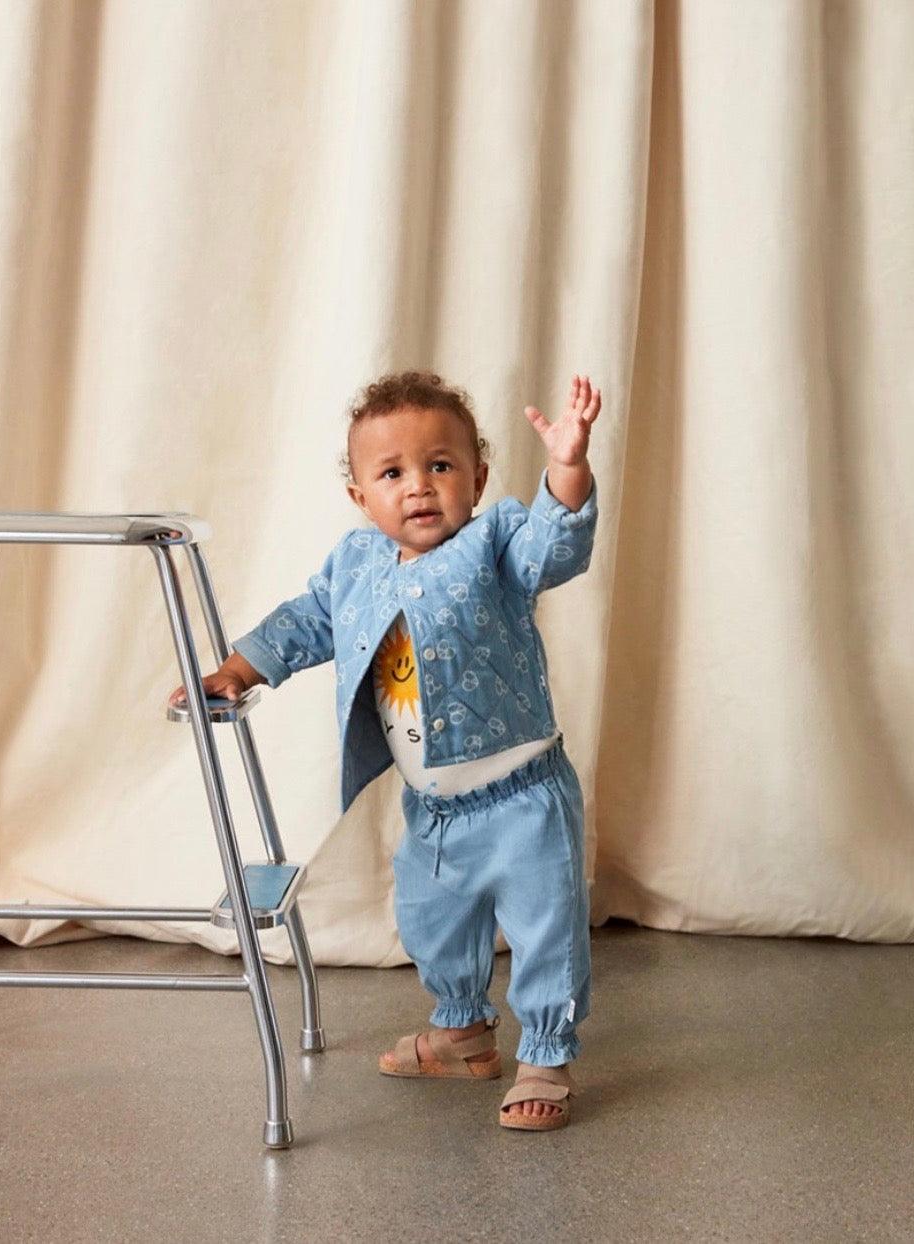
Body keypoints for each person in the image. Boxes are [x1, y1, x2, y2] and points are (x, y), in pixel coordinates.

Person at [169, 370, 602, 1132]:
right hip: (432, 808)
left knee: (546, 929)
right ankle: (463, 1030)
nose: (419, 487)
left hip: (523, 797)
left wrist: (567, 468)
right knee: (430, 919)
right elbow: (306, 622)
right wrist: (238, 669)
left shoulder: (497, 541)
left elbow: (553, 547)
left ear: (478, 479)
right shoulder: (356, 565)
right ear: (360, 496)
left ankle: (545, 1053)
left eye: (440, 465)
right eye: (393, 473)